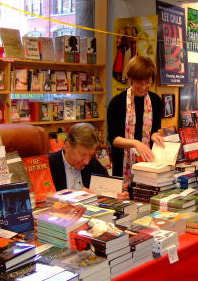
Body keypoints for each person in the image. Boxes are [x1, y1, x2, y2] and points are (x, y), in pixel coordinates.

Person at [107, 56, 164, 191]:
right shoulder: (117, 102)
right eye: (140, 82)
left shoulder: (155, 101)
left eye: (148, 82)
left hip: (148, 167)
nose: (144, 87)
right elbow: (113, 139)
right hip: (123, 166)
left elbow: (154, 129)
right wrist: (135, 143)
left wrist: (155, 135)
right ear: (130, 78)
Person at [48, 123, 130, 198]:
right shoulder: (49, 164)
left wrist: (118, 193)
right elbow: (42, 201)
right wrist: (75, 196)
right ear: (67, 145)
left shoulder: (92, 163)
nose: (86, 161)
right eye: (82, 155)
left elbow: (107, 190)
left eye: (90, 155)